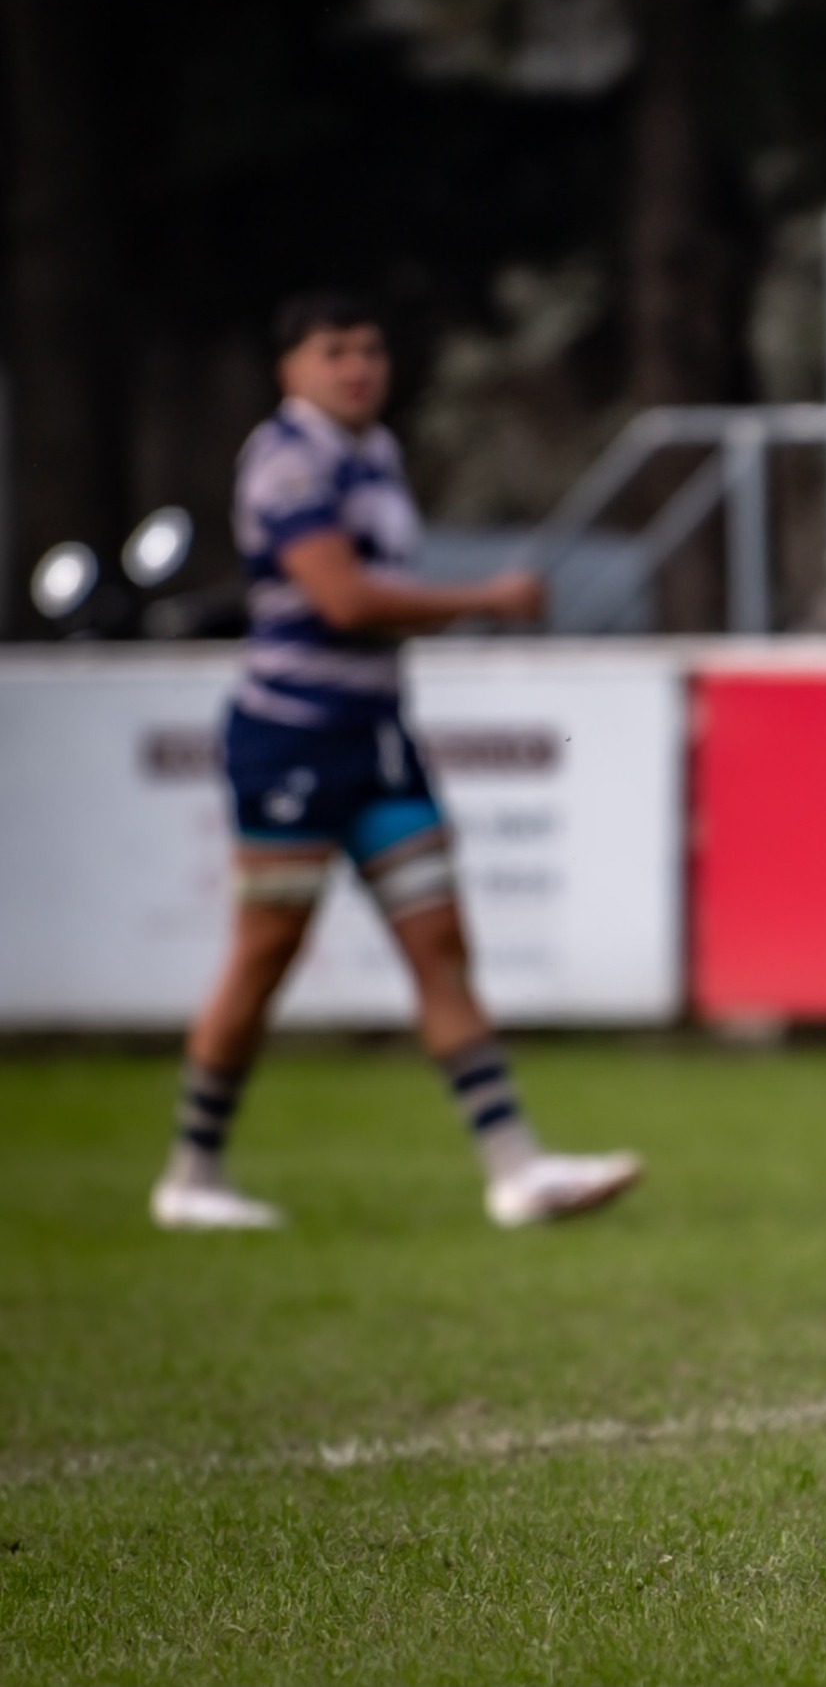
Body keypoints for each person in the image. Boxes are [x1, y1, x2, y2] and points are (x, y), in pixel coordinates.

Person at [149, 293, 644, 1232]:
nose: (357, 368)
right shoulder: (288, 461)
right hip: (292, 738)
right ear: (289, 370)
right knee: (262, 958)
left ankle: (516, 1171)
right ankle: (190, 1174)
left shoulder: (371, 454)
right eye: (334, 352)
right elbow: (341, 600)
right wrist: (487, 599)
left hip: (379, 740)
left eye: (370, 349)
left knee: (441, 953)